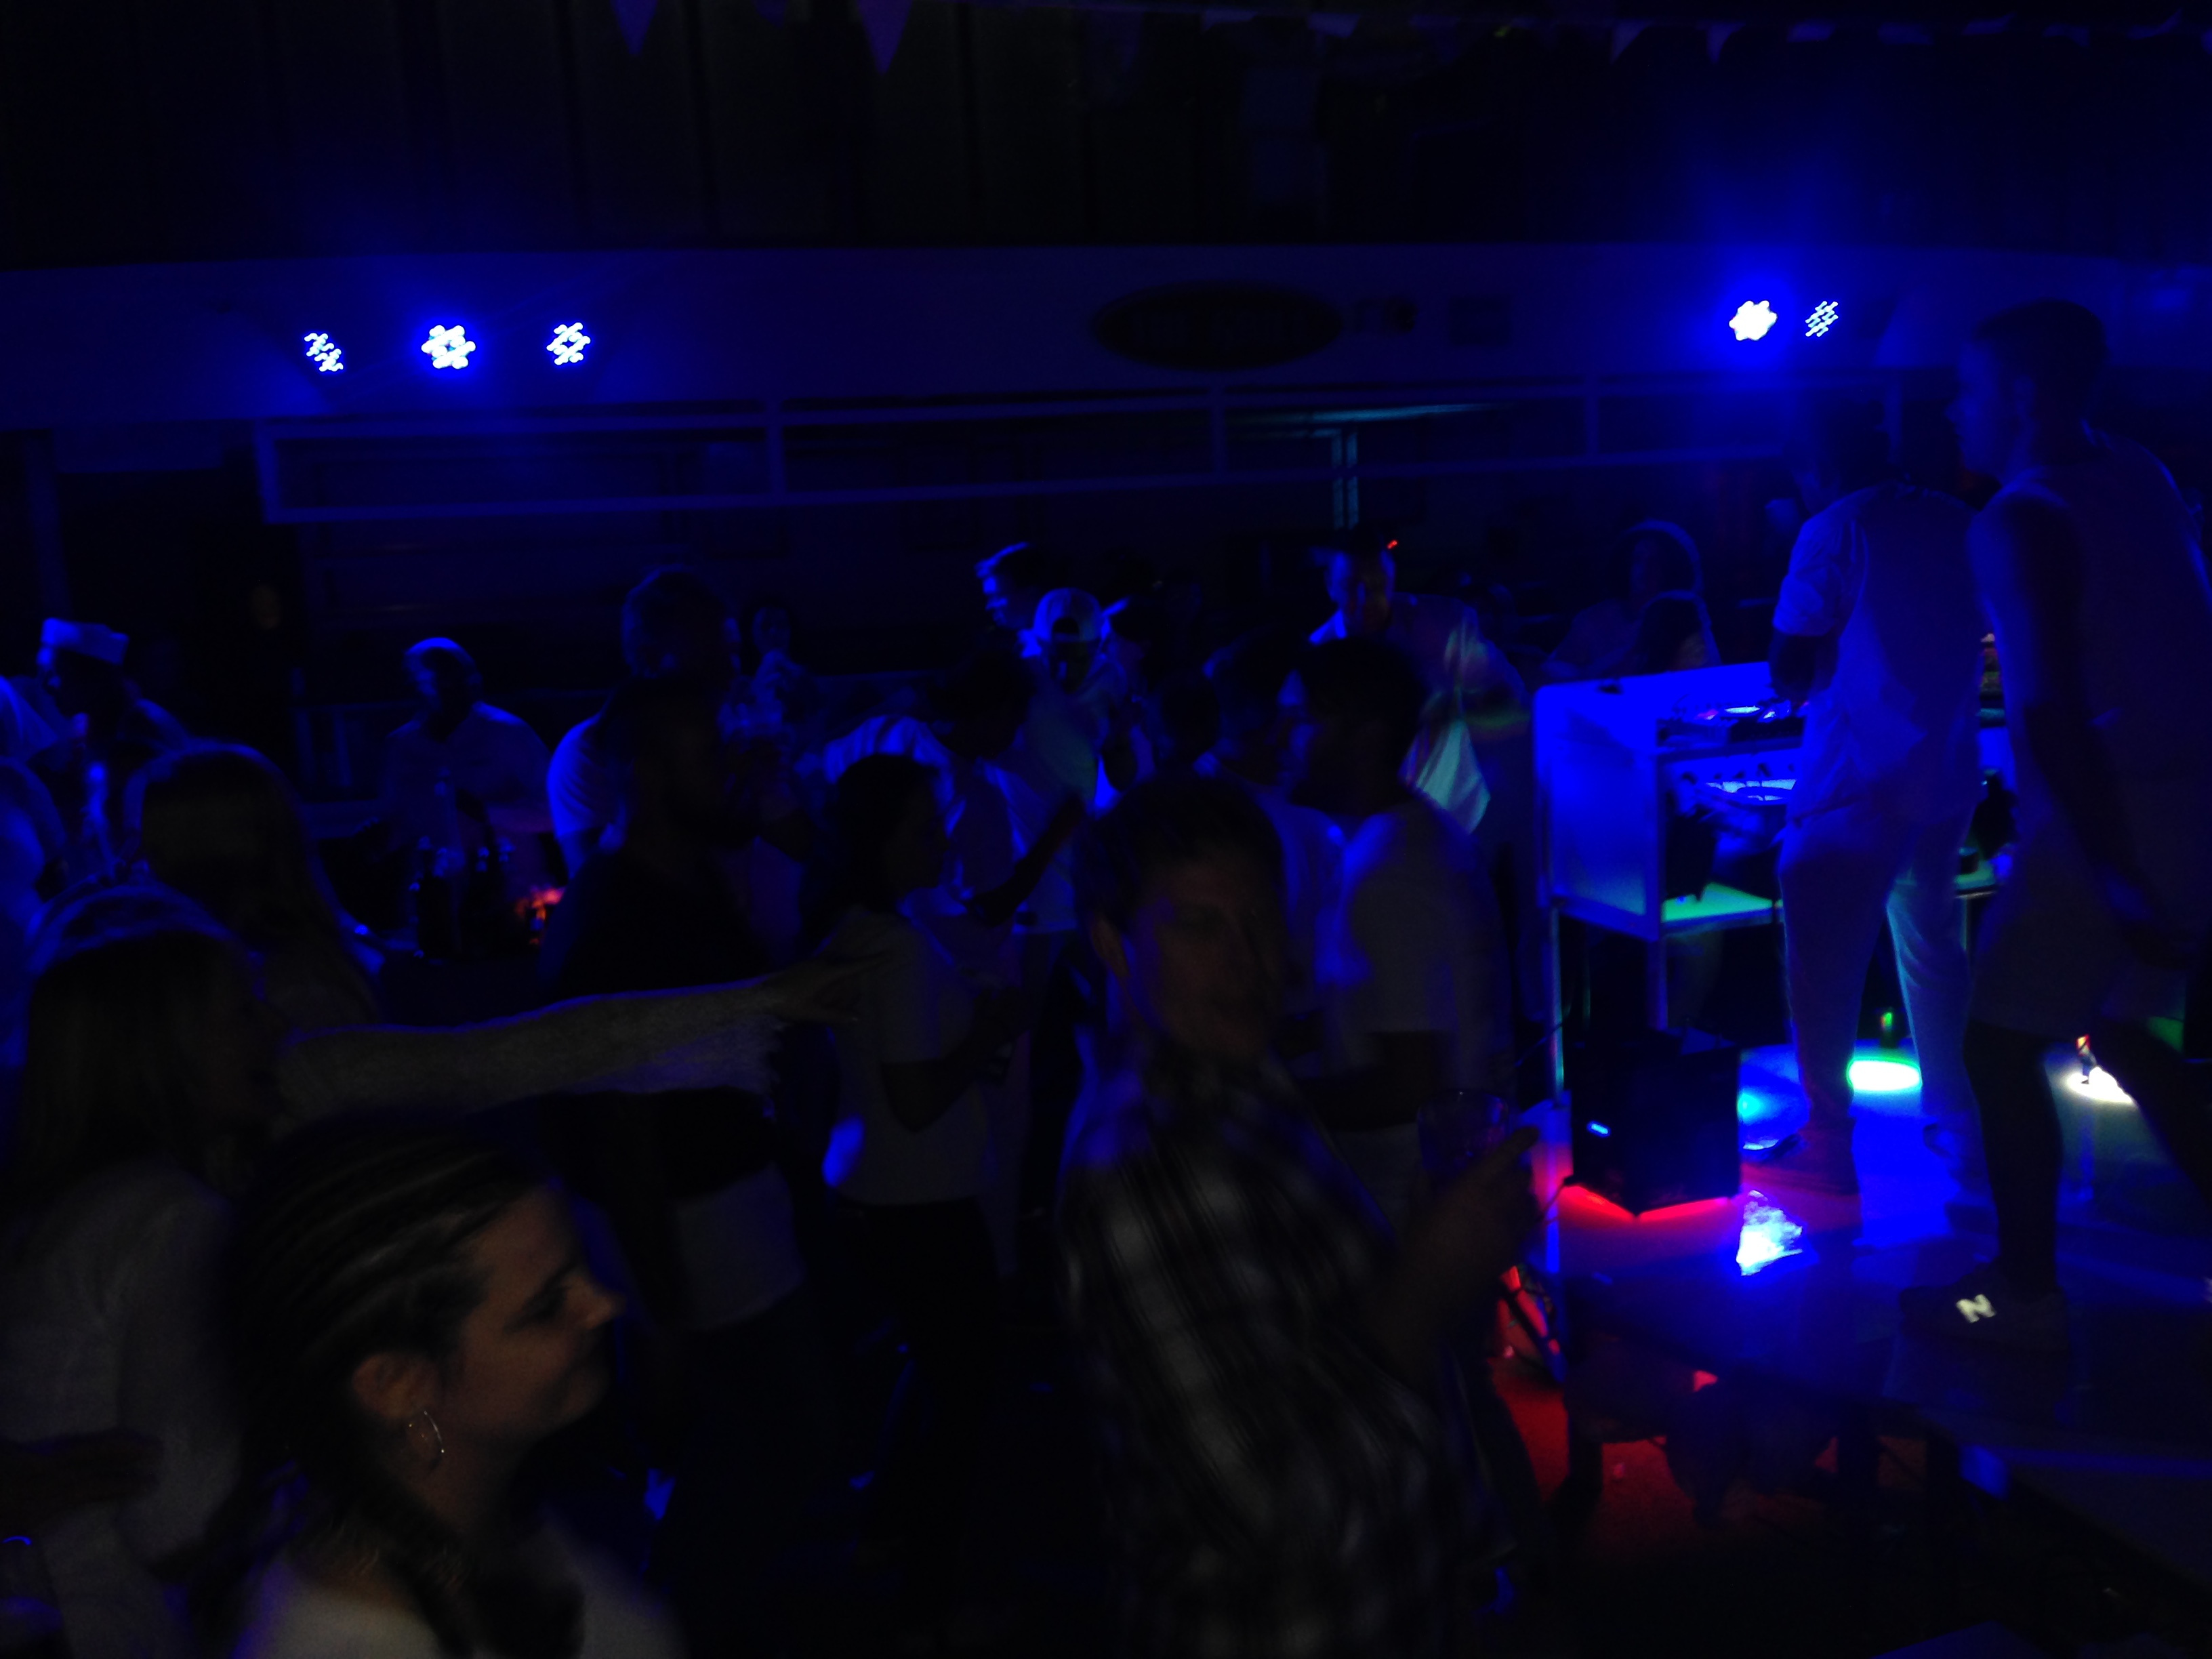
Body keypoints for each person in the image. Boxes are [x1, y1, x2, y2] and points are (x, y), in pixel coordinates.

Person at [0, 884, 862, 1659]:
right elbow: (178, 1520)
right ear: (164, 1050)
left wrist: (760, 1001)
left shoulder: (243, 1118)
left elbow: (508, 1054)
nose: (275, 1024)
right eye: (241, 1012)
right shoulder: (159, 1218)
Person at [1057, 774, 1534, 1658]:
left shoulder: (1239, 1083)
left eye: (1262, 919)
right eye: (1199, 926)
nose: (1249, 959)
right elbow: (1278, 1514)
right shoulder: (1147, 1169)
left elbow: (1326, 1342)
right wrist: (1423, 1284)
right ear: (1115, 946)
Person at [1901, 301, 2212, 1352]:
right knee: (2129, 1037)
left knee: (1995, 1046)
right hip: (2191, 804)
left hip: (2108, 823)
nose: (1954, 411)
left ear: (2022, 396)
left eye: (1968, 390)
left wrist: (2113, 872)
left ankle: (2022, 1295)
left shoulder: (2018, 519)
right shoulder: (2137, 469)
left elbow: (2049, 709)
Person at [536, 676, 828, 1654]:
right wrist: (658, 1318)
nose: (730, 772)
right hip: (695, 1232)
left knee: (761, 1446)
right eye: (710, 755)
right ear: (649, 776)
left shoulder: (687, 878)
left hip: (728, 1213)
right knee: (766, 1443)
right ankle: (685, 1626)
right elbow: (619, 1132)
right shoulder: (618, 921)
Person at [208, 1118, 668, 1657]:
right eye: (546, 1307)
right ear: (396, 1386)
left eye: (581, 1266)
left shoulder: (488, 1522)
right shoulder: (351, 1643)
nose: (604, 1306)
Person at [819, 756, 1027, 1631]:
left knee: (934, 1369)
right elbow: (913, 1098)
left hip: (874, 1191)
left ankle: (886, 1534)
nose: (941, 838)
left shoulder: (859, 930)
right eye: (920, 827)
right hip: (920, 1203)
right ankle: (930, 1604)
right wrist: (990, 1028)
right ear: (875, 841)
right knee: (966, 1397)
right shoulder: (899, 948)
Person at [1767, 394, 1984, 1193]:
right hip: (1944, 776)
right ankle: (1959, 1123)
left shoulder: (1834, 528)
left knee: (1824, 970)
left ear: (1817, 469)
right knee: (1933, 950)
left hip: (1854, 781)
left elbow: (1788, 668)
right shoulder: (1958, 519)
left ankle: (1827, 1139)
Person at [1290, 638, 1513, 1233]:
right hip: (1440, 1193)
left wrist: (1276, 1103)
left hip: (1405, 1207)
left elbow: (1411, 1082)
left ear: (1365, 737)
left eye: (1305, 719)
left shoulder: (1388, 873)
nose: (1288, 737)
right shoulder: (1418, 836)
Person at [136, 745, 384, 1031]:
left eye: (146, 840)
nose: (135, 861)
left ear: (188, 851)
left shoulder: (292, 991)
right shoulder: (268, 972)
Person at [1194, 629, 1343, 1067]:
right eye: (1307, 707)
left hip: (1326, 1039)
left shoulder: (1317, 792)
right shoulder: (1201, 807)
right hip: (1243, 1049)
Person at [1308, 540, 1521, 836]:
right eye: (1351, 585)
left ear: (1393, 579)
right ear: (1330, 585)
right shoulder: (1316, 658)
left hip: (1460, 817)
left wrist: (1454, 716)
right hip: (1369, 829)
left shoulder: (1445, 623)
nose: (1366, 598)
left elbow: (1509, 699)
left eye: (1378, 585)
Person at [381, 638, 556, 890]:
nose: (458, 687)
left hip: (512, 890)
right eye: (442, 680)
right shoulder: (400, 747)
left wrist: (488, 812)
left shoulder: (508, 733)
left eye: (462, 677)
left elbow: (554, 810)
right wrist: (382, 837)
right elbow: (400, 822)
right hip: (437, 894)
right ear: (417, 685)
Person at [31, 620, 190, 884]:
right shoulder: (88, 736)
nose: (47, 686)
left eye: (55, 672)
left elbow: (163, 827)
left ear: (92, 678)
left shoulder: (142, 730)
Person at [1542, 520, 1717, 682]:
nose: (1644, 570)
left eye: (1655, 562)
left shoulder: (1686, 616)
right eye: (1638, 559)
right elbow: (1554, 670)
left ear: (1673, 567)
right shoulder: (1593, 620)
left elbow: (1708, 677)